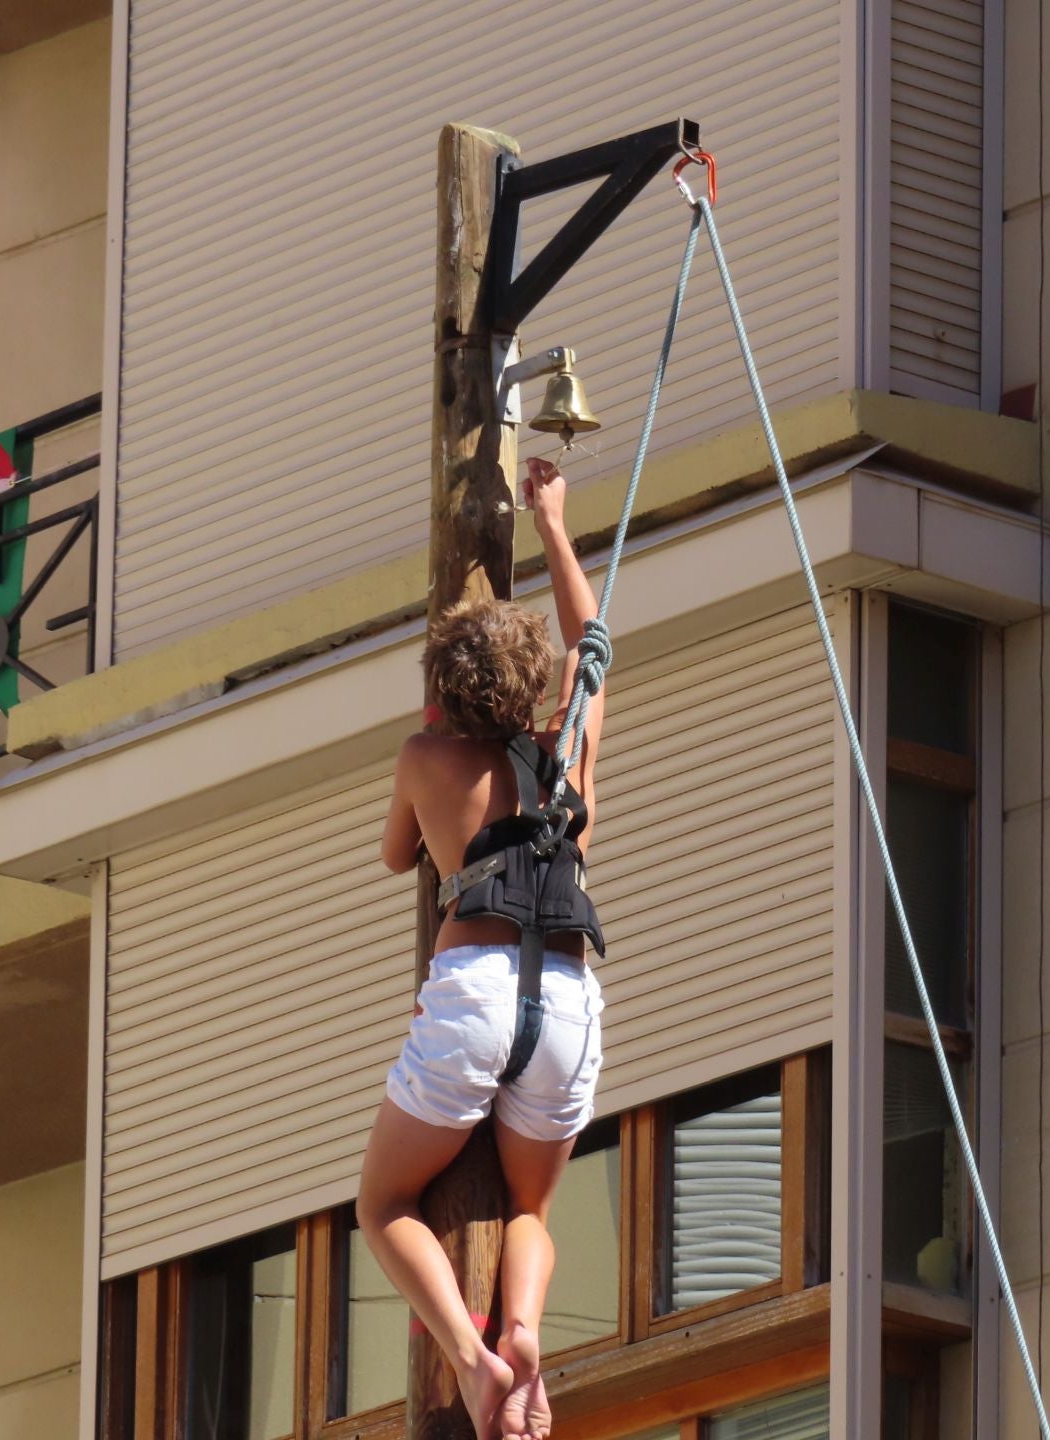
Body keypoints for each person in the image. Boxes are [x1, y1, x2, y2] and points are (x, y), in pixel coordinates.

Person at [357, 457, 606, 1440]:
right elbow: (593, 646)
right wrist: (552, 525)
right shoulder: (571, 748)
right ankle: (528, 1331)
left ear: (445, 695)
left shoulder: (428, 758)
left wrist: (430, 745)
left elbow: (392, 858)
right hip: (570, 997)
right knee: (531, 1209)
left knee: (385, 1203)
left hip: (475, 991)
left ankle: (472, 1358)